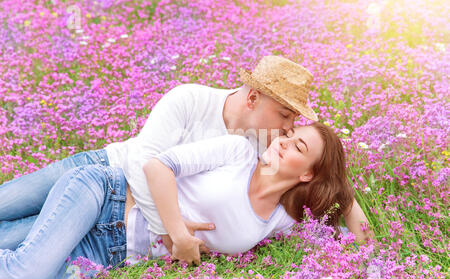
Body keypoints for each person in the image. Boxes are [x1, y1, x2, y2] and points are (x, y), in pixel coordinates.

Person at [0, 55, 371, 260]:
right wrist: (171, 229)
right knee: (7, 206)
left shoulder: (264, 146)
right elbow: (144, 160)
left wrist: (345, 196)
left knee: (21, 243)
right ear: (254, 99)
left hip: (118, 215)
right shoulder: (191, 99)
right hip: (101, 172)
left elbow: (325, 183)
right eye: (285, 115)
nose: (288, 128)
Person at [0, 122, 361, 279]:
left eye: (298, 146)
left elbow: (361, 238)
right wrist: (179, 234)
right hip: (102, 197)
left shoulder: (283, 220)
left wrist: (342, 186)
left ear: (308, 173)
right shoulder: (238, 152)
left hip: (107, 253)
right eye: (289, 133)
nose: (282, 141)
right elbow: (158, 166)